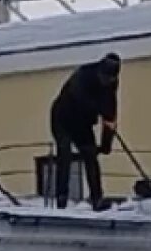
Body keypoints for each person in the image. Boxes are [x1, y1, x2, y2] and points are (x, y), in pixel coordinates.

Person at [49, 53, 121, 210]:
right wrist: (98, 108)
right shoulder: (83, 75)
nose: (107, 81)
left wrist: (105, 145)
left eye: (110, 79)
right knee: (65, 154)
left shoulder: (111, 87)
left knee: (90, 156)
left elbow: (110, 115)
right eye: (105, 78)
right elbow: (79, 98)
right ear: (99, 72)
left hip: (83, 124)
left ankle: (97, 199)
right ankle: (62, 199)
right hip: (63, 118)